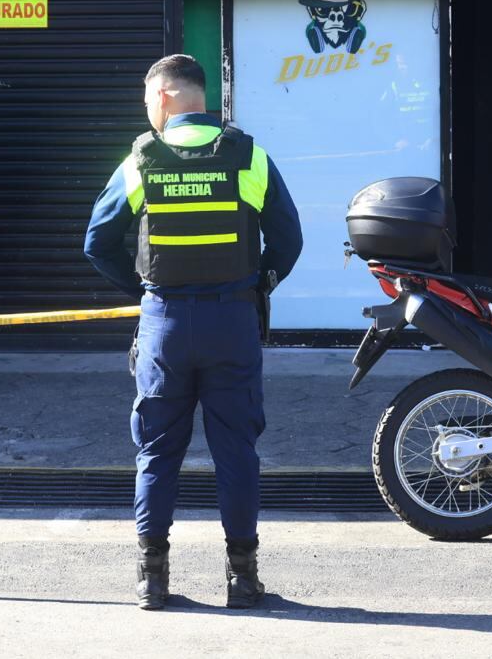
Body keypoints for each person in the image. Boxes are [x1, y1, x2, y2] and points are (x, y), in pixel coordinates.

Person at [84, 54, 302, 611]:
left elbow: (97, 243)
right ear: (200, 97)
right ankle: (243, 580)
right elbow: (288, 239)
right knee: (237, 450)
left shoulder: (141, 158)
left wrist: (145, 293)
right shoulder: (247, 154)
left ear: (161, 98)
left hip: (166, 323)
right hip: (232, 321)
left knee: (157, 451)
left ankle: (151, 581)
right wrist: (259, 285)